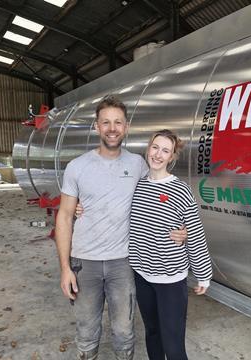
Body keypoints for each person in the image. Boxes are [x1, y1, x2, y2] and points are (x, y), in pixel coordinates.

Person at [55, 96, 187, 360]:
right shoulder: (77, 167)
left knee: (124, 332)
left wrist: (180, 226)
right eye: (106, 122)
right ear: (97, 126)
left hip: (124, 262)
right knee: (87, 331)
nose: (112, 128)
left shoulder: (138, 164)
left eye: (117, 122)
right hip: (85, 262)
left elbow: (160, 194)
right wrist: (65, 268)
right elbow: (65, 217)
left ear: (126, 127)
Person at [129, 129, 213, 360]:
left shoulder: (180, 190)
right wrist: (80, 208)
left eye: (165, 151)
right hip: (141, 274)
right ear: (148, 148)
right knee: (152, 334)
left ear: (172, 157)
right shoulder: (137, 185)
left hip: (170, 280)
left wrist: (203, 274)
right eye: (155, 147)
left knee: (173, 345)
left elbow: (194, 233)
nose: (158, 154)